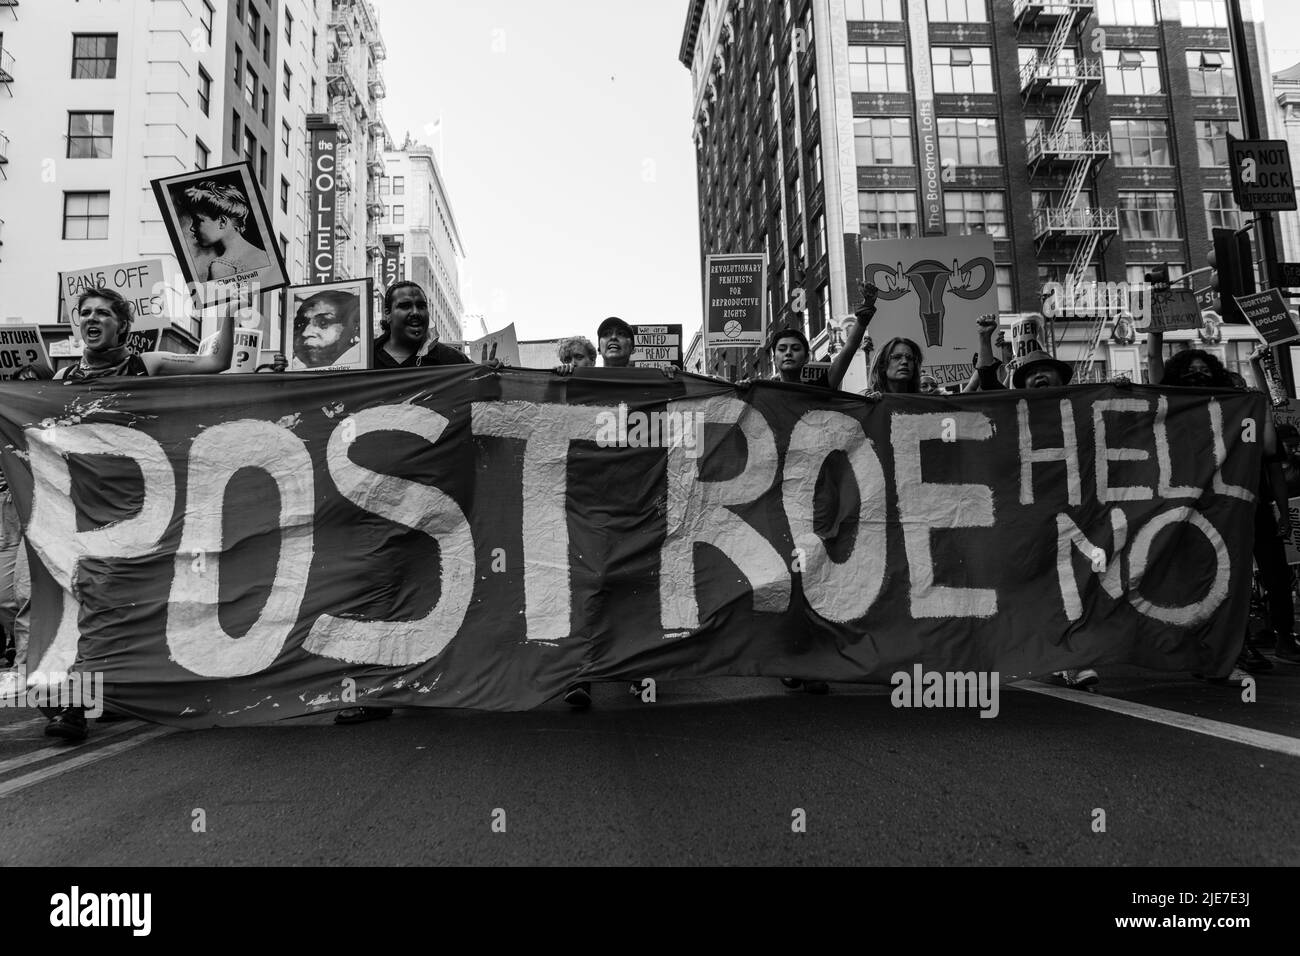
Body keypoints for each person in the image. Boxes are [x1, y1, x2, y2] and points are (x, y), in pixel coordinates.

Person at [43, 288, 237, 741]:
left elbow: (215, 363)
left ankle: (87, 701)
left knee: (116, 604)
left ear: (122, 326)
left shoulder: (146, 365)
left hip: (140, 504)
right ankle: (83, 699)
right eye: (86, 313)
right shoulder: (62, 378)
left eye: (104, 313)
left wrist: (226, 307)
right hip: (79, 507)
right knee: (86, 603)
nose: (93, 318)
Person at [374, 280, 473, 370]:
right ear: (387, 314)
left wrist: (487, 374)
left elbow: (480, 382)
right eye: (405, 306)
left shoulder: (453, 361)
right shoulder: (364, 357)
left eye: (421, 306)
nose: (415, 312)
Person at [183, 181, 272, 280]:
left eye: (198, 220)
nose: (192, 228)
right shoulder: (265, 256)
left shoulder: (220, 268)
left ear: (222, 222)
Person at [291, 290, 363, 369]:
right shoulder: (293, 368)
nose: (305, 333)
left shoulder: (365, 366)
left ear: (354, 328)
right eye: (299, 324)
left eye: (323, 322)